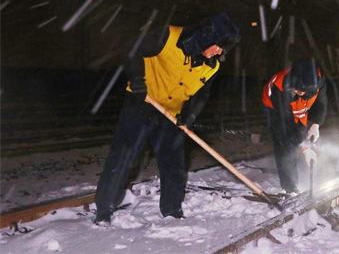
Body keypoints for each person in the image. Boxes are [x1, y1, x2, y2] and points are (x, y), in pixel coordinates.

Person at [94, 12, 240, 225]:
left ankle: (172, 209)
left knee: (174, 163)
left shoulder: (212, 66)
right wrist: (136, 79)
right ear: (207, 37)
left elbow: (201, 93)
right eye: (219, 46)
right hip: (141, 104)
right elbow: (134, 49)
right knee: (123, 157)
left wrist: (189, 115)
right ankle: (104, 209)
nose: (220, 52)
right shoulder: (167, 37)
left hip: (170, 114)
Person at [262, 59, 327, 196]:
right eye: (295, 88)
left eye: (301, 90)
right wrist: (304, 147)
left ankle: (299, 173)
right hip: (276, 111)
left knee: (300, 138)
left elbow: (321, 103)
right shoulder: (280, 86)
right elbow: (286, 123)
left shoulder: (318, 81)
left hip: (300, 112)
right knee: (286, 144)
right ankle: (289, 187)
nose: (296, 91)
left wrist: (316, 124)